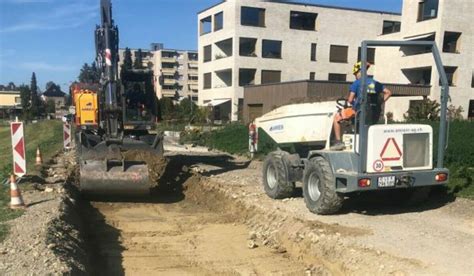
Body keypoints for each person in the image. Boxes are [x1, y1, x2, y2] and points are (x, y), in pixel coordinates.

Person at [330, 62, 392, 151]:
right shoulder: (375, 83)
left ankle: (338, 142)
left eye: (355, 74)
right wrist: (379, 103)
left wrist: (352, 102)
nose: (355, 76)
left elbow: (350, 100)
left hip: (358, 112)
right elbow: (389, 92)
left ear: (359, 71)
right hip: (374, 114)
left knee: (337, 117)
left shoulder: (357, 83)